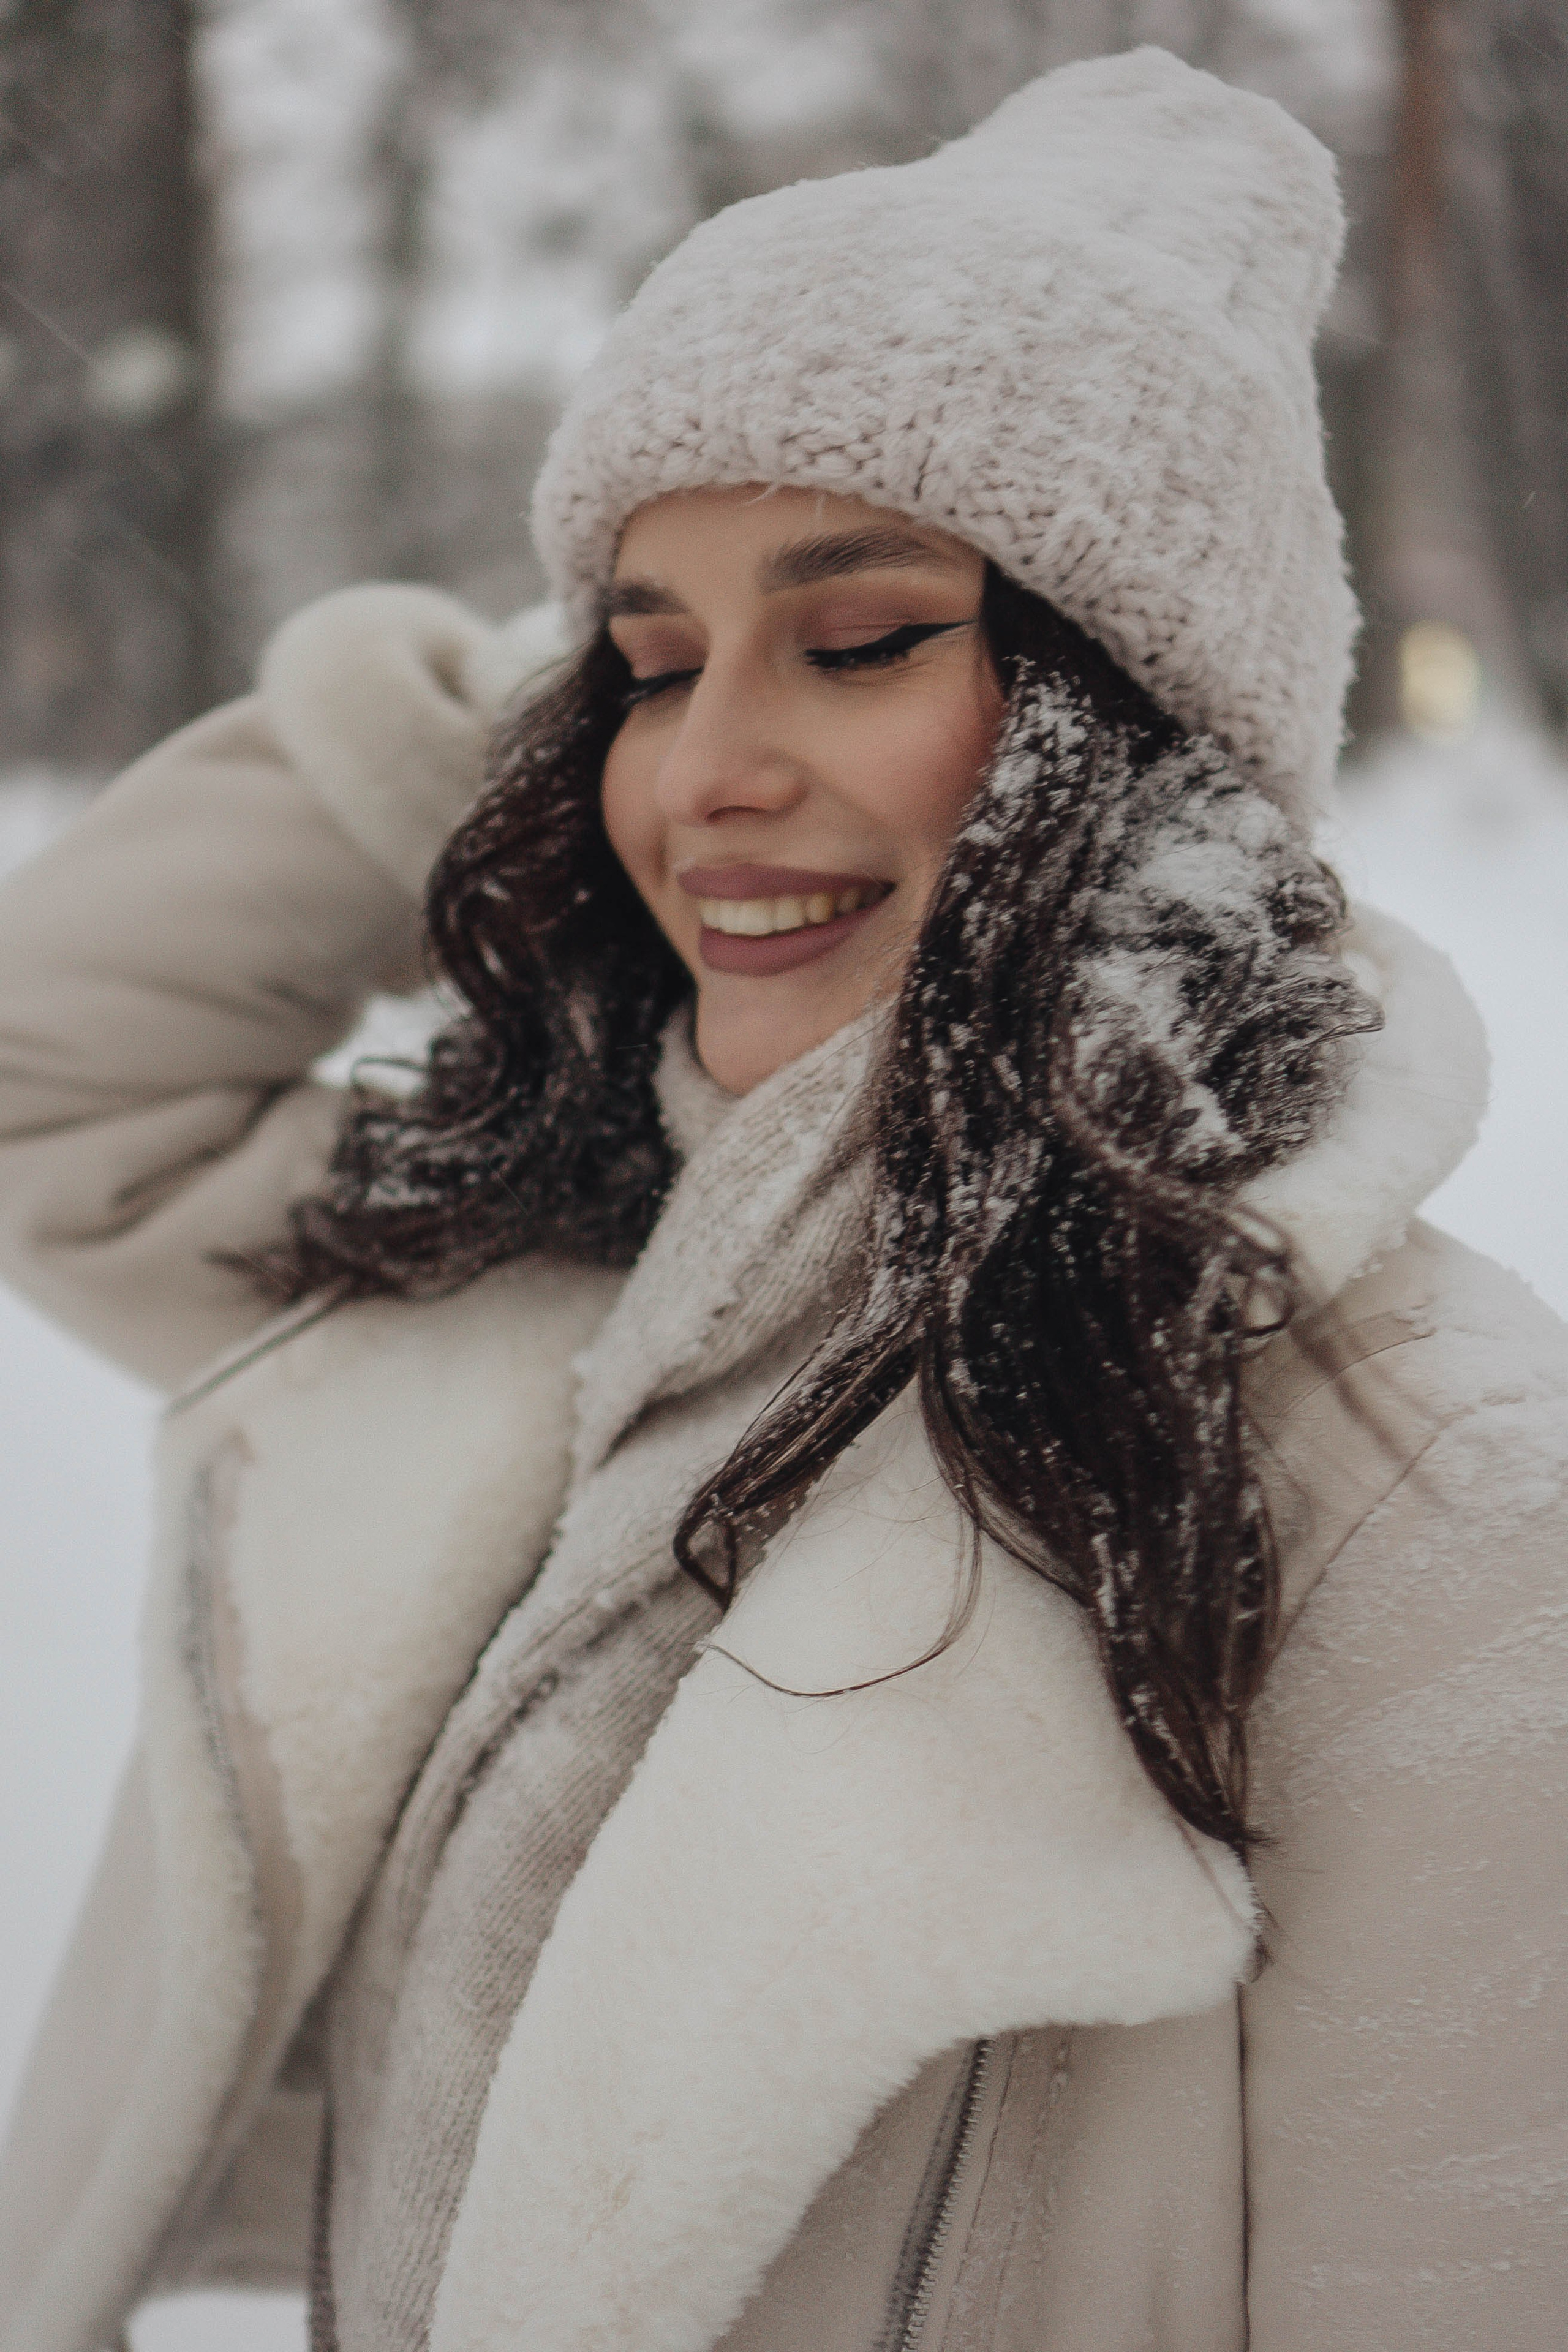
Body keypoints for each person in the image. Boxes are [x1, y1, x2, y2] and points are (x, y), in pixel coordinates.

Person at [0, 47, 1562, 2352]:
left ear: (1121, 727)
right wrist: (524, 760)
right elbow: (63, 1084)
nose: (708, 767)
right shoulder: (562, 1262)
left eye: (859, 640)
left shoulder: (1425, 1498)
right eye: (646, 666)